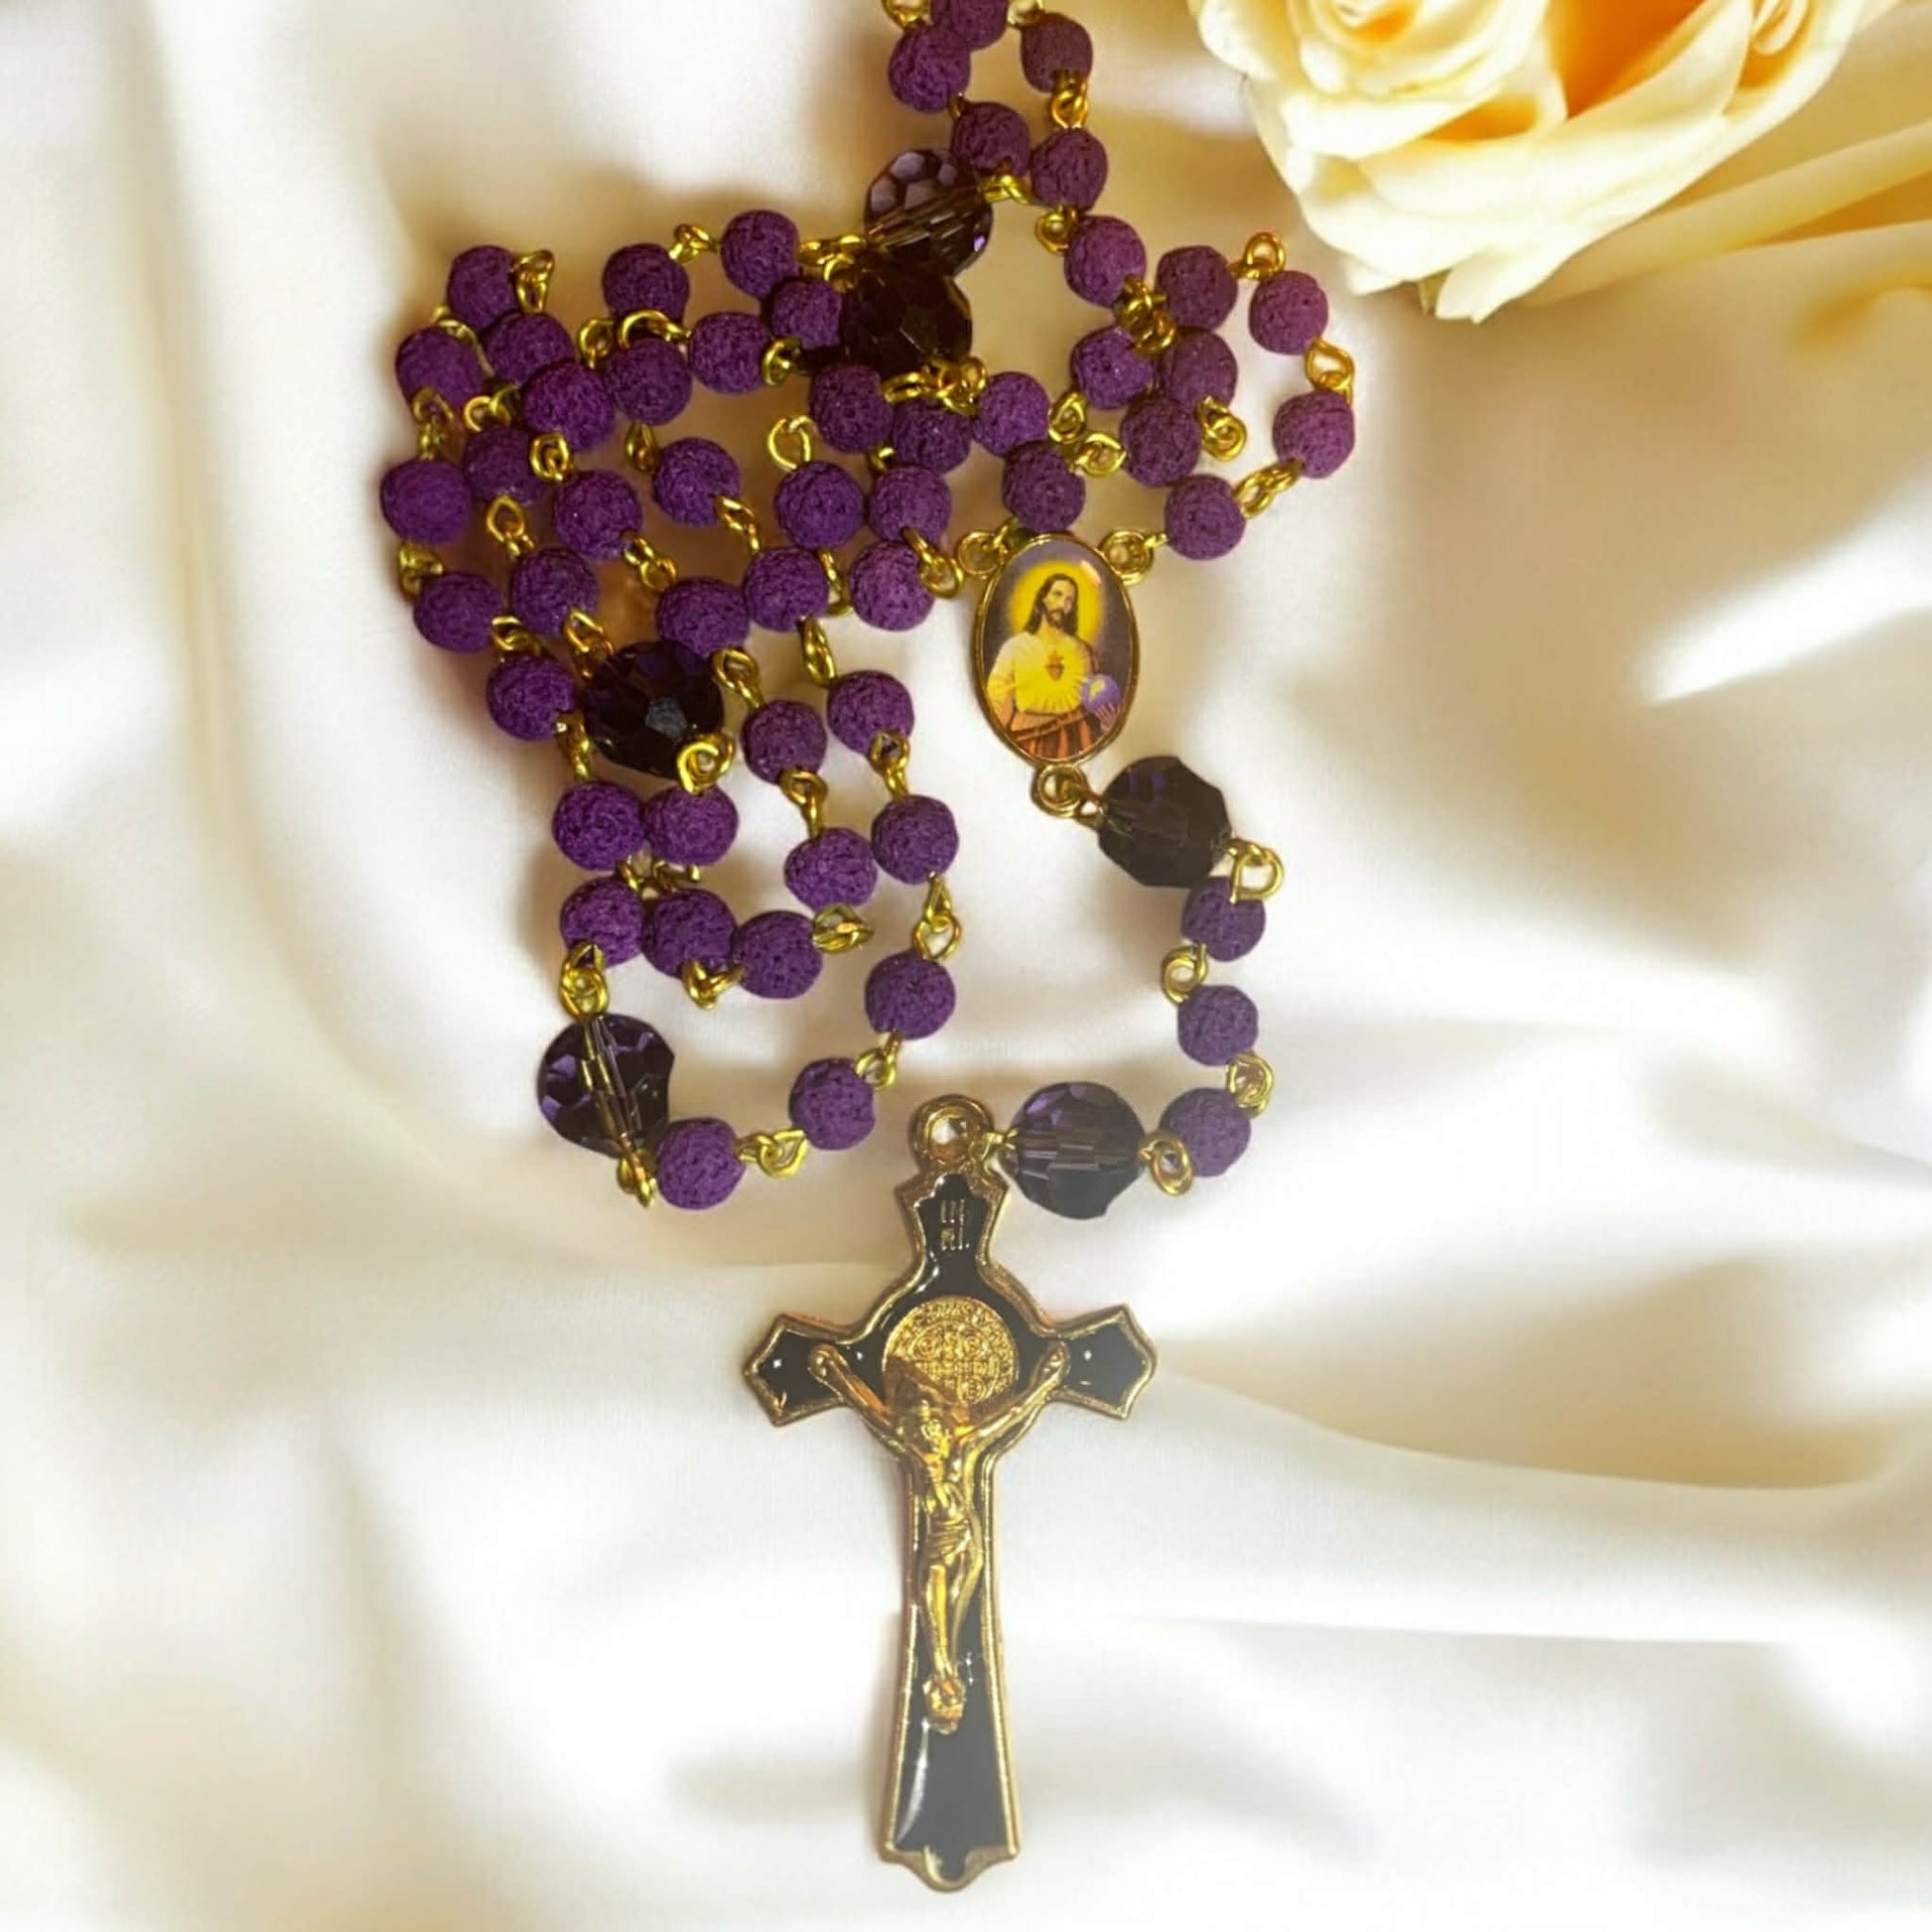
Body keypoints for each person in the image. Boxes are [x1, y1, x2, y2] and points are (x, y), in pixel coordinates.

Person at [810, 1337, 1070, 1731]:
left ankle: (948, 1688)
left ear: (945, 1420)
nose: (928, 1429)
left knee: (953, 1619)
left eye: (933, 1420)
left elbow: (1013, 1414)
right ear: (910, 1426)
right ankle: (943, 1685)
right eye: (919, 1422)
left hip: (966, 1546)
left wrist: (1045, 1384)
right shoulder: (911, 1454)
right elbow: (868, 1410)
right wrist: (836, 1375)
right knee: (934, 1624)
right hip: (935, 1550)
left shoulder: (965, 1449)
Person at [984, 569, 1120, 763]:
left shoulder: (1084, 652)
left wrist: (1108, 725)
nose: (1063, 604)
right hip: (1027, 745)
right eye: (1057, 594)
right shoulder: (1014, 649)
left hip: (1078, 743)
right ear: (1043, 598)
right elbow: (996, 709)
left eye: (1069, 600)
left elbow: (1098, 711)